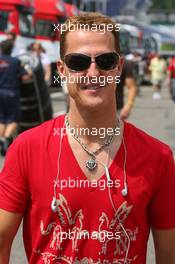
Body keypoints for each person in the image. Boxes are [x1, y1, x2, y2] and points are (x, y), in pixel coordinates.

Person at [0, 13, 175, 264]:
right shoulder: (27, 148)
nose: (93, 72)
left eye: (105, 60)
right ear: (62, 69)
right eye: (78, 62)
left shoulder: (158, 157)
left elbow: (169, 255)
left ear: (119, 67)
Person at [0, 39, 31, 156]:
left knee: (2, 118)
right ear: (11, 49)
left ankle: (1, 139)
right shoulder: (15, 61)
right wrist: (29, 72)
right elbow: (25, 77)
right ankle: (6, 139)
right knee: (14, 119)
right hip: (11, 93)